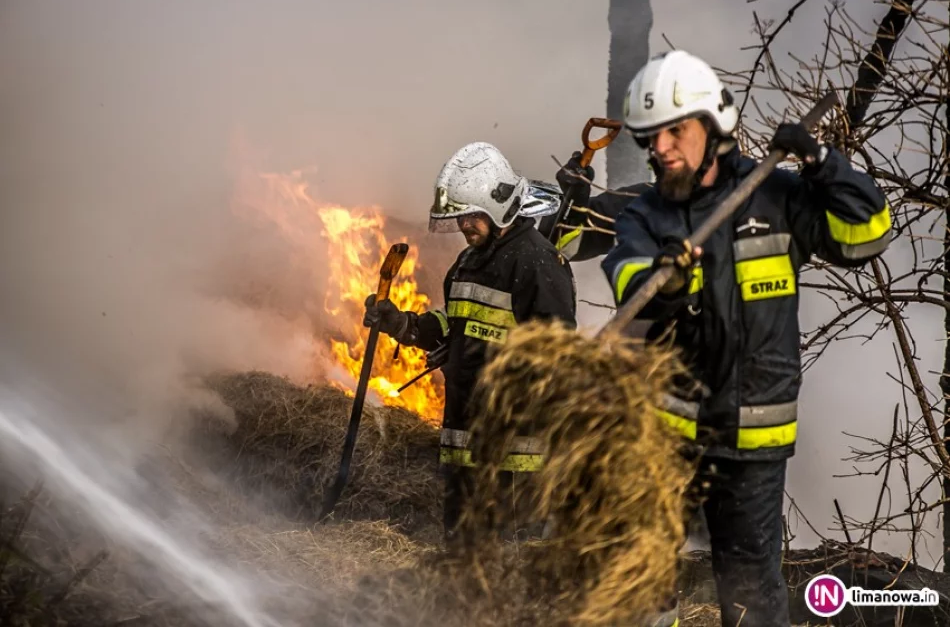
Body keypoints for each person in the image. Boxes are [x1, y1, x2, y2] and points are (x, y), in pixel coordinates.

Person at [581, 50, 890, 627]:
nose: (662, 148)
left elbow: (866, 236)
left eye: (677, 130)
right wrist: (666, 284)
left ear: (713, 125)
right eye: (652, 137)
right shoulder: (643, 218)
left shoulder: (774, 198)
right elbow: (634, 300)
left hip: (756, 447)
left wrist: (823, 163)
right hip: (668, 437)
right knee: (640, 581)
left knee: (751, 599)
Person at [362, 141, 578, 546]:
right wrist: (402, 324)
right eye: (460, 218)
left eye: (471, 217)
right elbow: (453, 324)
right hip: (465, 442)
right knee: (463, 559)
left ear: (498, 207)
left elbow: (559, 357)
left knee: (514, 562)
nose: (464, 226)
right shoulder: (468, 263)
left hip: (516, 455)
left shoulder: (537, 263)